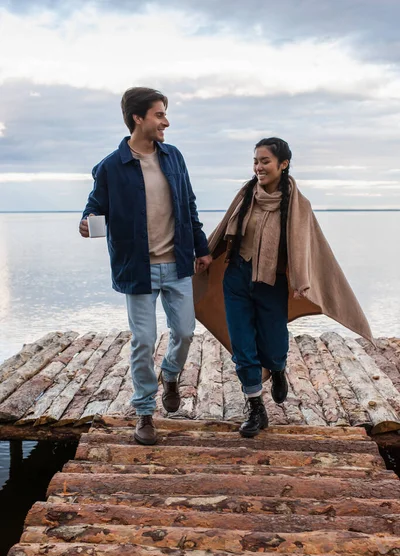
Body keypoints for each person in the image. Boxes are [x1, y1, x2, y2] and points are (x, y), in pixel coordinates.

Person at [193, 137, 373, 439]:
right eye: (255, 161)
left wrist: (302, 280)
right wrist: (206, 254)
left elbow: (303, 243)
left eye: (264, 161)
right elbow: (225, 228)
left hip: (272, 282)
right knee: (242, 347)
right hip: (236, 277)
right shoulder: (247, 193)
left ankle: (277, 369)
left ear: (283, 164)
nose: (258, 167)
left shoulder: (298, 203)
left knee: (274, 345)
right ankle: (255, 407)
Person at [79, 87, 212, 446]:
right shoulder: (110, 166)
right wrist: (86, 220)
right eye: (159, 114)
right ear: (138, 118)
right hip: (136, 268)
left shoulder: (174, 157)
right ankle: (144, 413)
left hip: (178, 262)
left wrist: (201, 247)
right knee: (143, 340)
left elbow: (189, 204)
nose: (165, 121)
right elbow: (94, 207)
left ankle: (170, 375)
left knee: (184, 332)